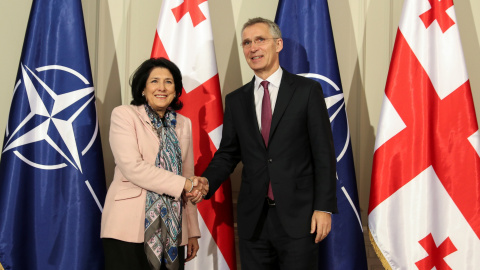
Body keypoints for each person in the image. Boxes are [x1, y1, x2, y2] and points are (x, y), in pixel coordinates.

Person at [199, 18, 337, 269]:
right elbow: (229, 154)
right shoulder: (236, 100)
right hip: (254, 221)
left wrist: (324, 207)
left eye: (260, 40)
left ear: (278, 44)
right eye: (247, 43)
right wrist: (206, 181)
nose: (253, 48)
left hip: (300, 218)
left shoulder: (307, 91)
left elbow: (324, 154)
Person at [101, 58, 208, 270]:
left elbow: (187, 174)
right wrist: (186, 184)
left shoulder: (183, 124)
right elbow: (133, 168)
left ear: (176, 90)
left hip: (173, 228)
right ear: (142, 88)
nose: (161, 87)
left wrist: (192, 231)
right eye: (154, 81)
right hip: (127, 226)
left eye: (168, 82)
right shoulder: (124, 115)